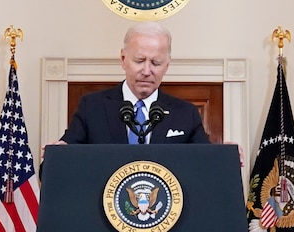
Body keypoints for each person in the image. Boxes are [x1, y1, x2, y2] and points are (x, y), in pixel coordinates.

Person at [56, 22, 211, 145]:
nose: (146, 71)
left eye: (156, 63)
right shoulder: (92, 107)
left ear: (166, 66)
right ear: (123, 59)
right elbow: (63, 163)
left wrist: (227, 156)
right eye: (139, 61)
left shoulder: (186, 113)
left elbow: (206, 164)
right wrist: (59, 152)